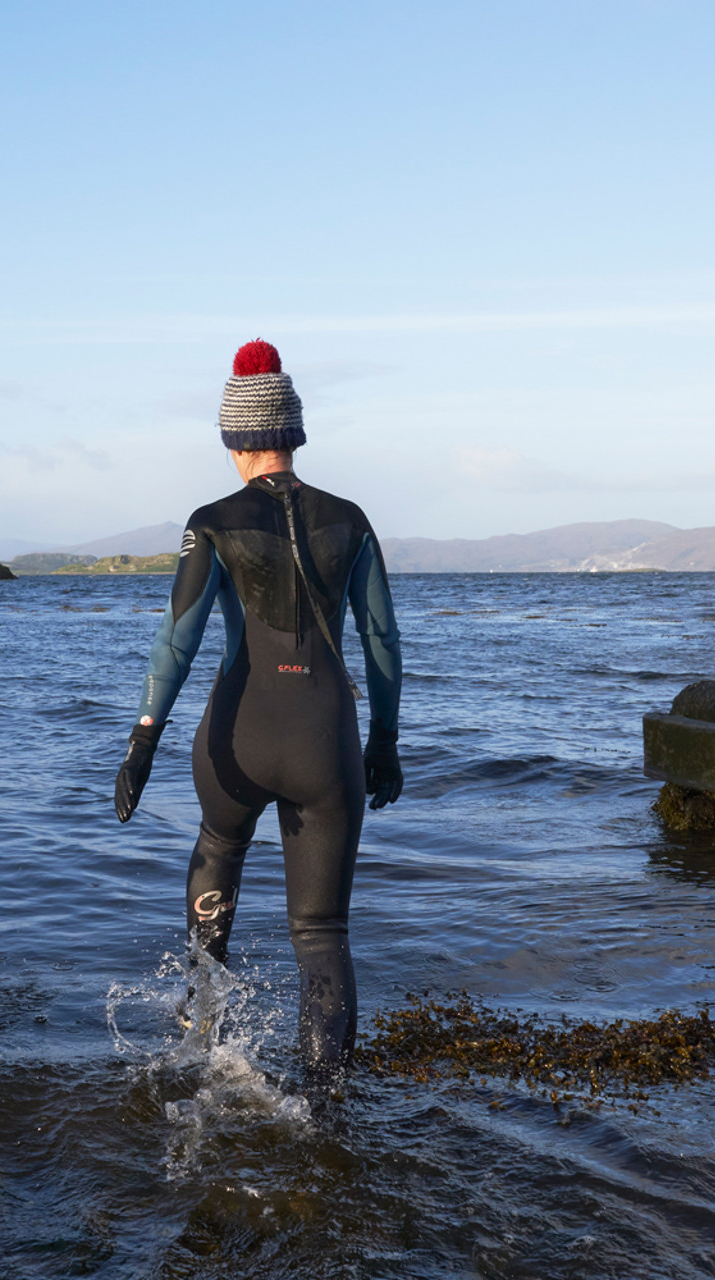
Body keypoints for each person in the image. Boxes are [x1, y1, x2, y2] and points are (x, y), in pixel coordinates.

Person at [113, 339, 403, 1075]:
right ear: (293, 435)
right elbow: (382, 643)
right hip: (323, 743)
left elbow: (175, 643)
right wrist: (385, 741)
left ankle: (200, 1054)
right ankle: (325, 1120)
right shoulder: (352, 518)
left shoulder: (212, 520)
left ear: (234, 439)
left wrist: (142, 740)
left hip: (236, 742)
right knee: (322, 935)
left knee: (218, 851)